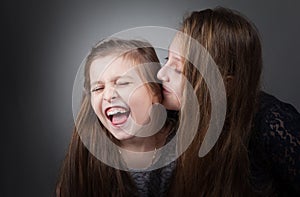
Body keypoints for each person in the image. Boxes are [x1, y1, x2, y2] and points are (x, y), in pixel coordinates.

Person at [157, 7, 300, 196]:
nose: (160, 74)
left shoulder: (273, 124)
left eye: (178, 69)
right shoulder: (172, 115)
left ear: (224, 83)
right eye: (167, 59)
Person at [56, 38, 176, 196]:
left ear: (155, 93)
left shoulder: (182, 147)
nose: (109, 95)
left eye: (123, 83)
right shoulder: (87, 158)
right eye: (98, 88)